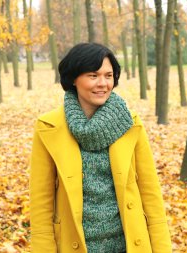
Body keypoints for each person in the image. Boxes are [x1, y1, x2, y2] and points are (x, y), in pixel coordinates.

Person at [29, 43, 172, 253]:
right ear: (74, 79)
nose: (103, 83)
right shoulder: (48, 127)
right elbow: (41, 205)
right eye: (93, 75)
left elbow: (151, 195)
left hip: (129, 245)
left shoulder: (130, 123)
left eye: (108, 75)